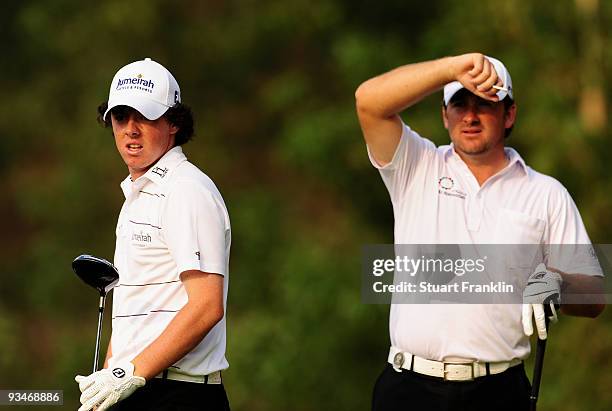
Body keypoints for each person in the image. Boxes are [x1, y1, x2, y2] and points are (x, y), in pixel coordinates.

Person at [355, 53, 605, 411]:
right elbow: (368, 102)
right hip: (409, 389)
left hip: (499, 391)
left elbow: (595, 294)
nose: (470, 116)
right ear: (445, 115)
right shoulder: (416, 164)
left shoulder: (546, 193)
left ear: (509, 114)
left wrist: (557, 281)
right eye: (459, 104)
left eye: (485, 104)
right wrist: (451, 68)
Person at [75, 58, 231, 411]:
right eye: (120, 116)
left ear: (174, 122)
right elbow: (135, 310)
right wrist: (109, 379)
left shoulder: (186, 189)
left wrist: (128, 373)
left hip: (179, 394)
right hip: (139, 387)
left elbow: (207, 306)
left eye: (144, 116)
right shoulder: (139, 194)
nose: (130, 129)